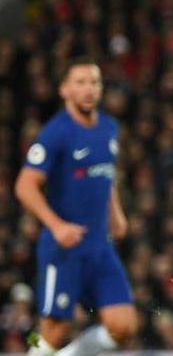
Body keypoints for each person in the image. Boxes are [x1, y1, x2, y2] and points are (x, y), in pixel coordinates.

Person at [15, 57, 137, 356]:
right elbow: (24, 185)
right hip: (64, 248)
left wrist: (116, 214)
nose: (88, 89)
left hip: (99, 246)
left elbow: (106, 173)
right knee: (52, 331)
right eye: (80, 83)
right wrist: (56, 225)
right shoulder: (56, 132)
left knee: (124, 326)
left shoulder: (108, 127)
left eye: (94, 82)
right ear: (64, 90)